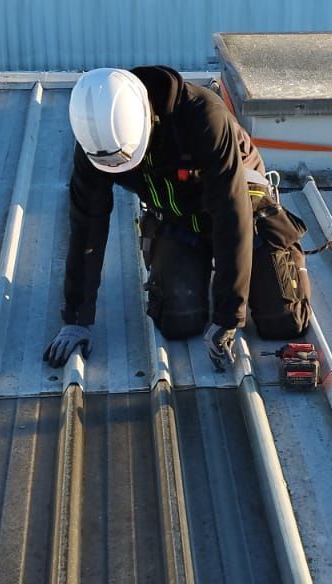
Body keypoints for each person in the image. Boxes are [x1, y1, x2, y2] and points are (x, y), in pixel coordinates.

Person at [45, 66, 312, 371]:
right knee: (177, 322)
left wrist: (227, 318)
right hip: (179, 218)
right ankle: (194, 259)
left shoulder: (203, 117)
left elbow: (230, 215)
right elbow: (87, 226)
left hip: (243, 210)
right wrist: (77, 318)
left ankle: (278, 255)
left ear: (147, 122)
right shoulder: (96, 141)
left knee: (283, 321)